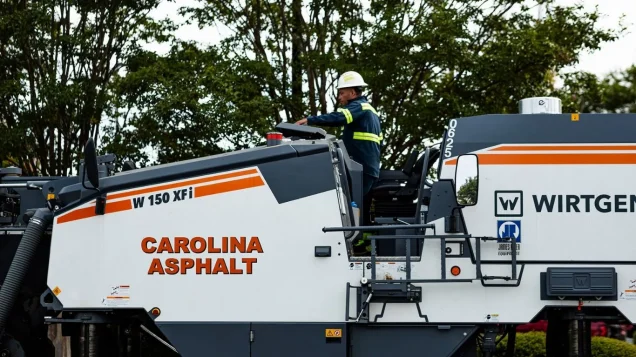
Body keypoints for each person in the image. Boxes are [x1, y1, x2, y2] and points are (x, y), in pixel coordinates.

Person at [295, 71, 382, 198]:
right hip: (369, 169)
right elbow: (381, 143)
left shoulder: (359, 107)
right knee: (352, 205)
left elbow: (339, 117)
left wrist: (310, 120)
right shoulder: (372, 112)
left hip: (360, 169)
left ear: (352, 93)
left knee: (343, 203)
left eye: (342, 93)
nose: (339, 97)